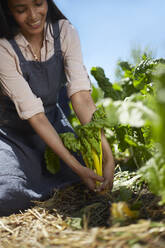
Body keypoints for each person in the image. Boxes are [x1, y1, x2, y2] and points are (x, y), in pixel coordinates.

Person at [0, 0, 115, 216]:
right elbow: (34, 114)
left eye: (38, 4)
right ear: (9, 11)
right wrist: (76, 167)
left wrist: (106, 154)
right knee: (9, 194)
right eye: (21, 10)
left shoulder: (64, 32)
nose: (34, 16)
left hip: (54, 126)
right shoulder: (4, 48)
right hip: (13, 134)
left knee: (81, 178)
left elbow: (81, 96)